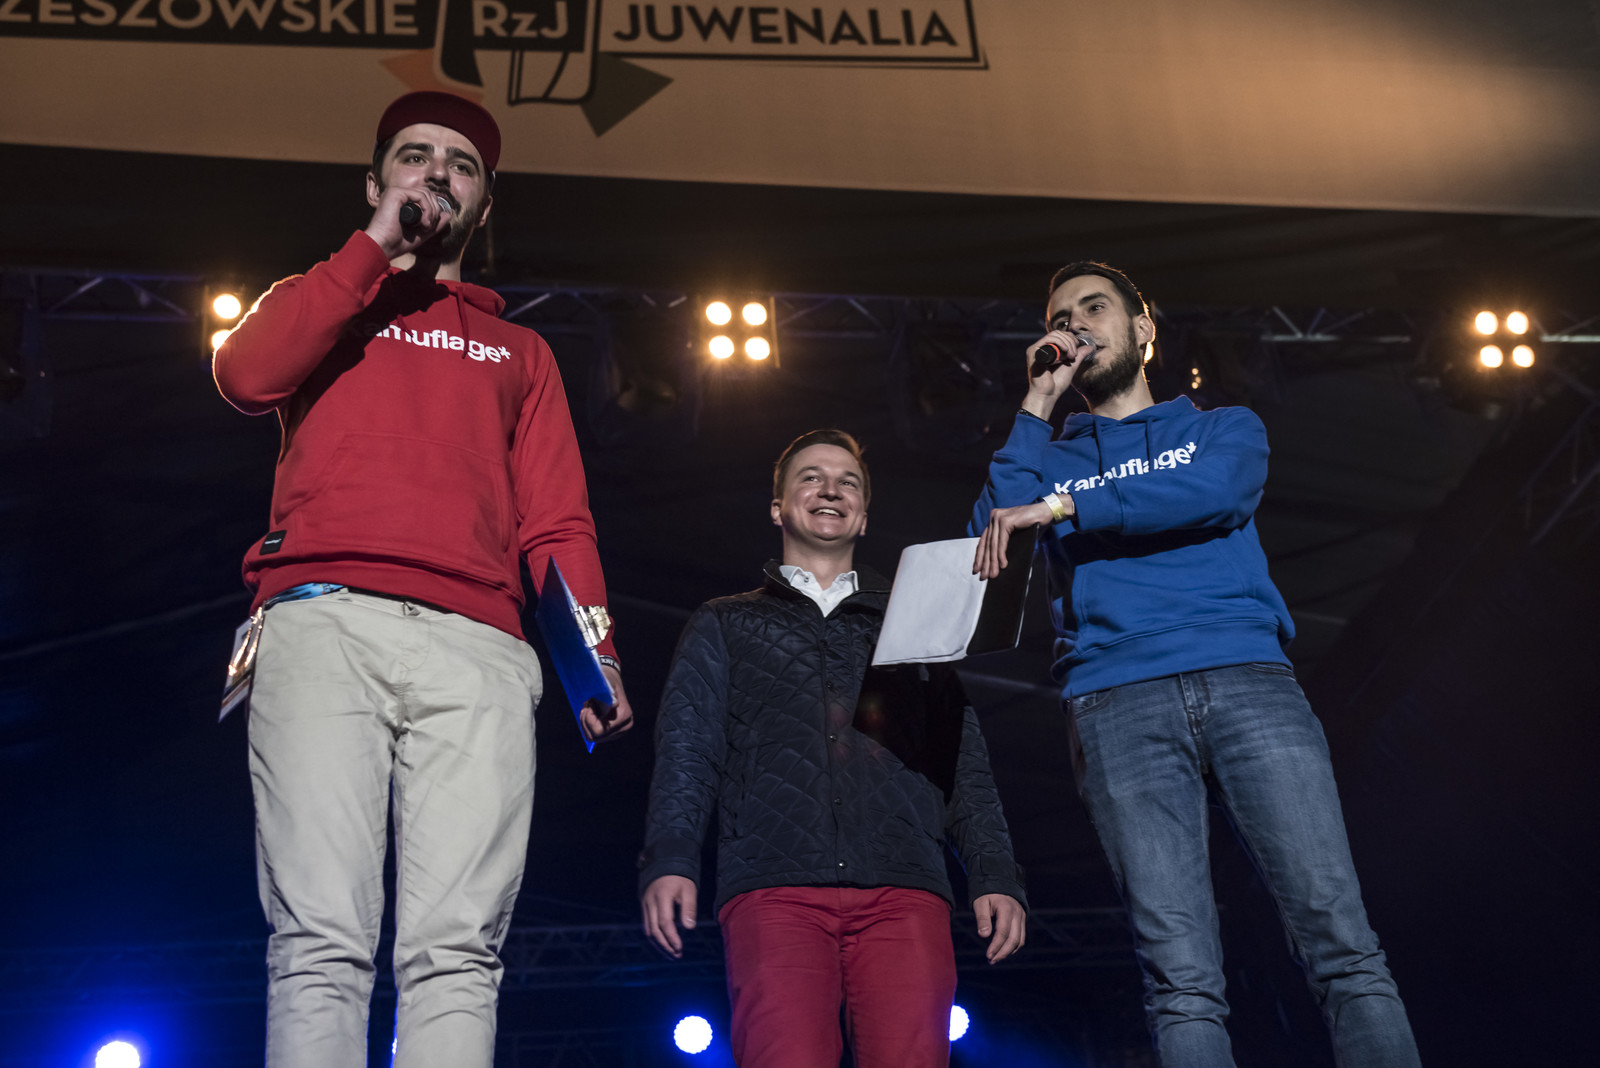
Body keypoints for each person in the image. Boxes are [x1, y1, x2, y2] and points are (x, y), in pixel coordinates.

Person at [213, 91, 633, 1068]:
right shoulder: (318, 298)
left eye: (461, 163)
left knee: (457, 952)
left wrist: (596, 655)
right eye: (415, 155)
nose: (437, 171)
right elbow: (246, 376)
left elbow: (557, 523)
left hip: (479, 650)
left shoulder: (521, 351)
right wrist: (373, 251)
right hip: (322, 624)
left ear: (485, 204)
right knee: (320, 938)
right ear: (375, 184)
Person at [969, 263, 1420, 1068]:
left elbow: (1214, 494)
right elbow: (990, 548)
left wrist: (1069, 505)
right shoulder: (1049, 454)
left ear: (1143, 330)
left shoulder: (1223, 428)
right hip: (1114, 701)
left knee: (1342, 945)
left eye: (1094, 308)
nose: (1075, 326)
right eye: (1061, 318)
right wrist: (1036, 406)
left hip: (1247, 680)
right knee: (1179, 980)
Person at [640, 429, 1028, 1068]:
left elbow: (962, 756)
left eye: (848, 482)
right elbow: (688, 747)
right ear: (778, 507)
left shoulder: (912, 620)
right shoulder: (724, 622)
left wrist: (995, 874)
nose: (831, 490)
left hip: (904, 887)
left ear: (865, 516)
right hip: (774, 887)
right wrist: (671, 858)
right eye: (811, 478)